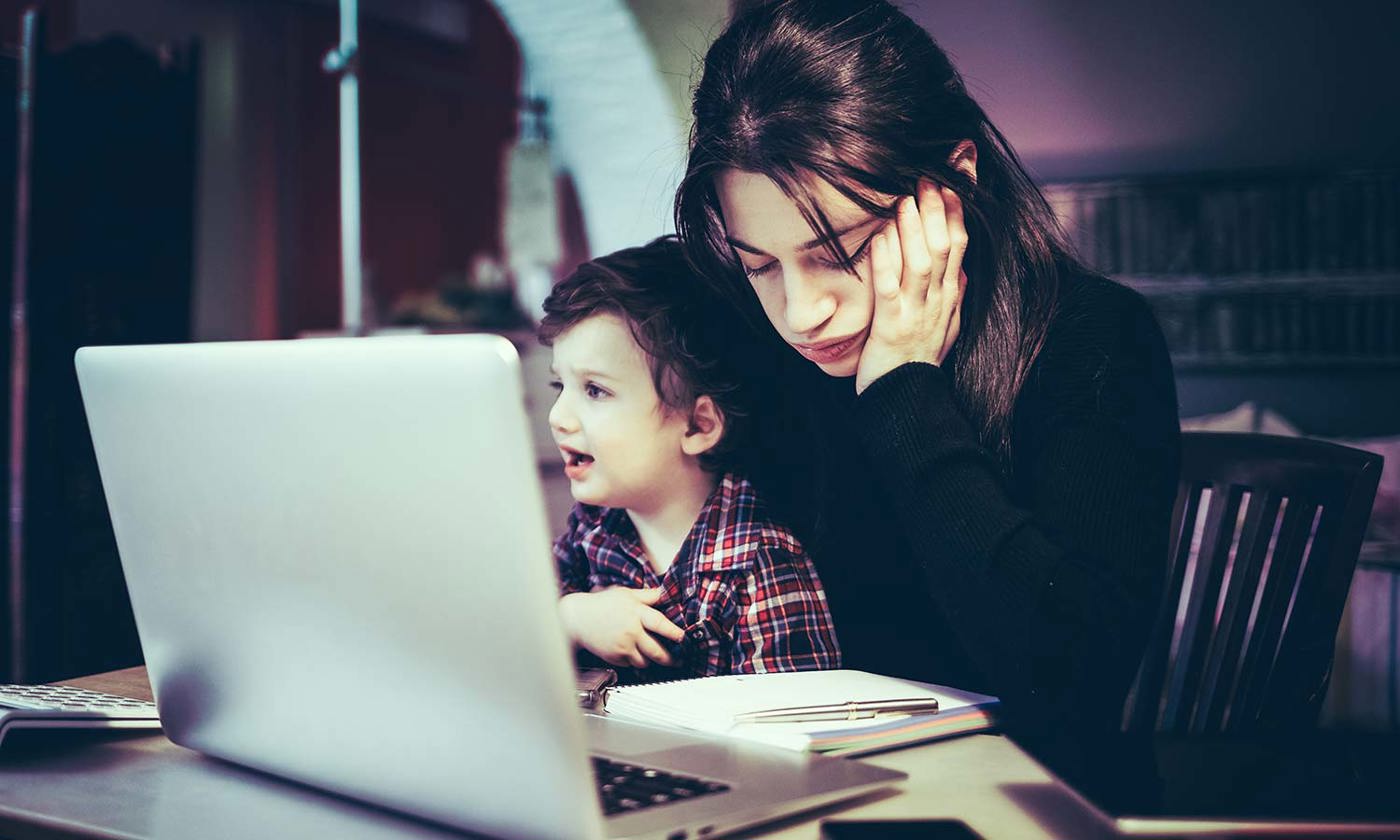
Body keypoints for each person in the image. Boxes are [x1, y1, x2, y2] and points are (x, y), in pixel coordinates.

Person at [673, 0, 1181, 765]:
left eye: (844, 252)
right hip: (812, 780)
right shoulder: (749, 332)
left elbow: (1072, 681)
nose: (804, 312)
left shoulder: (1094, 340)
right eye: (759, 265)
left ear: (956, 180)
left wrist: (903, 389)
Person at [540, 237, 842, 679]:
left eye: (595, 391)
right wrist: (569, 617)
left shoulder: (758, 563)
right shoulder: (590, 529)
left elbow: (791, 728)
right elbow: (505, 627)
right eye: (558, 387)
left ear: (698, 426)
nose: (558, 417)